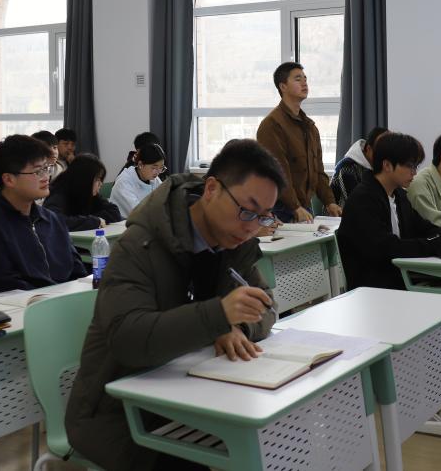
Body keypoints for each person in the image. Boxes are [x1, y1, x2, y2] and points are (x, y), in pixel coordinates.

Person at [66, 139, 282, 471]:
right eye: (247, 210)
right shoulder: (139, 245)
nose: (252, 226)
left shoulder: (232, 241)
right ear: (212, 189)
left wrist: (235, 325)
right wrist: (217, 317)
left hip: (197, 395)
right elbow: (127, 340)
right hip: (120, 414)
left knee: (280, 435)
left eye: (264, 217)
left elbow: (266, 305)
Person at [338, 132, 441, 419]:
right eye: (409, 166)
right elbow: (387, 248)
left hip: (399, 278)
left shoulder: (398, 196)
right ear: (387, 165)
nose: (414, 173)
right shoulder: (364, 199)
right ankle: (434, 401)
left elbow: (423, 227)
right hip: (376, 289)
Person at [0, 134, 87, 298]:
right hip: (19, 310)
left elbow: (77, 272)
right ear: (9, 179)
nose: (46, 177)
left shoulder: (52, 220)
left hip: (63, 305)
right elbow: (2, 290)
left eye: (46, 169)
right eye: (38, 171)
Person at [256, 62, 341, 223]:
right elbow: (278, 172)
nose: (304, 83)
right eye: (297, 79)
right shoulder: (272, 125)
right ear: (283, 86)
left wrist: (329, 202)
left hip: (303, 207)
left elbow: (318, 172)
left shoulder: (310, 127)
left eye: (305, 79)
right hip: (280, 208)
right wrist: (295, 207)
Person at [44, 154, 123, 231]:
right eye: (97, 179)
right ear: (84, 179)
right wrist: (94, 221)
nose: (100, 184)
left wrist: (89, 219)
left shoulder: (88, 193)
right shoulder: (58, 195)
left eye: (101, 179)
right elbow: (56, 222)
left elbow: (114, 212)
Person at [330, 126, 387, 208]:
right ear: (369, 149)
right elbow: (356, 202)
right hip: (340, 214)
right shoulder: (347, 167)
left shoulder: (377, 165)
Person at [110, 142, 166, 217]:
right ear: (140, 165)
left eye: (161, 168)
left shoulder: (153, 178)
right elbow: (140, 212)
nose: (158, 172)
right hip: (123, 223)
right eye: (154, 168)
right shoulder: (124, 182)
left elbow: (166, 199)